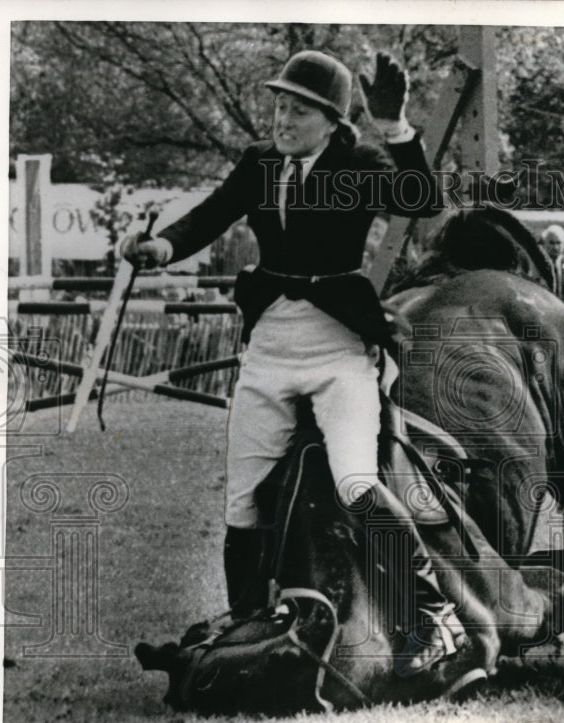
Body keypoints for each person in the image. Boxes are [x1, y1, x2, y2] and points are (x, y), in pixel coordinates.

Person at [121, 50, 463, 677]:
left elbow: (422, 201)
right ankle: (247, 621)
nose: (282, 118)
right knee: (242, 501)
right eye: (278, 105)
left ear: (332, 120)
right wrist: (161, 245)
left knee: (357, 484)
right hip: (270, 345)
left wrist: (396, 129)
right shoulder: (258, 163)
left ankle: (432, 618)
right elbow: (209, 215)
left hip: (339, 349)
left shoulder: (358, 164)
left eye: (298, 109)